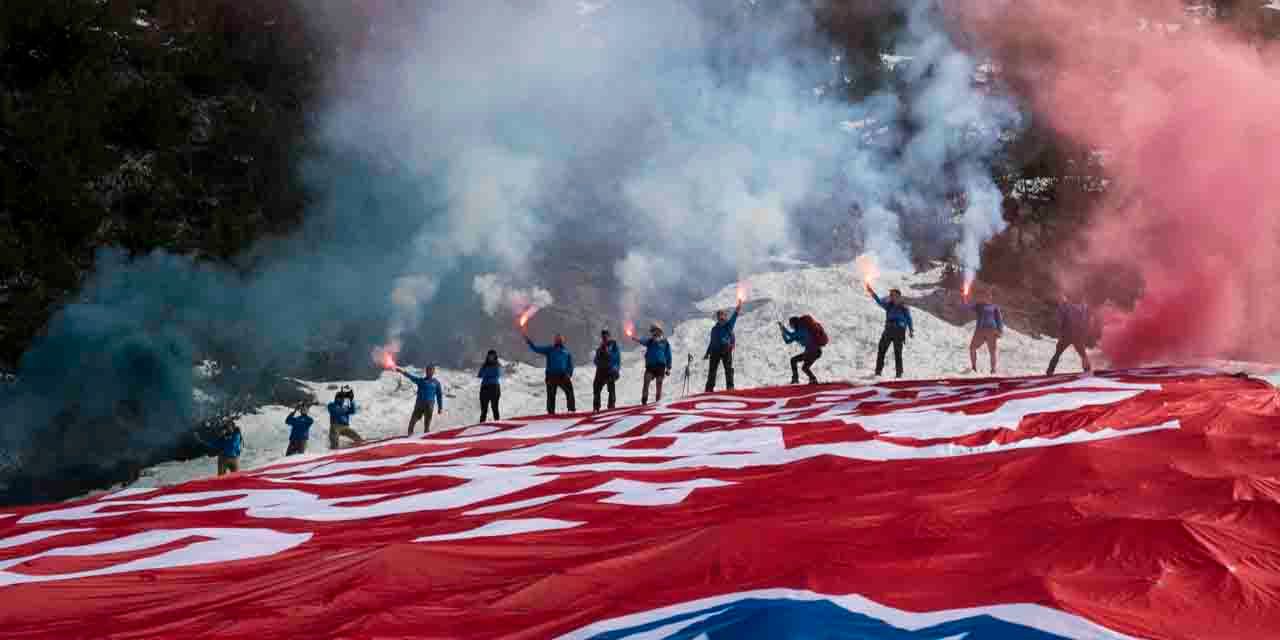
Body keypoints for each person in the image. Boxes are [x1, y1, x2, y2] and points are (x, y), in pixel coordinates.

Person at [866, 283, 914, 378]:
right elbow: (879, 301)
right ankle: (878, 372)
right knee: (881, 350)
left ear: (898, 296)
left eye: (892, 294)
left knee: (897, 352)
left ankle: (899, 374)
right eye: (890, 295)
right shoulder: (889, 306)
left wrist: (911, 330)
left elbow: (909, 318)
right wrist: (872, 292)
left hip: (899, 330)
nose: (891, 296)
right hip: (888, 330)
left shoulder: (903, 307)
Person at [525, 331, 576, 414]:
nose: (558, 340)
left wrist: (569, 374)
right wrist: (529, 342)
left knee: (569, 392)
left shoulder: (566, 352)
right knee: (551, 395)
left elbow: (570, 365)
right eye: (557, 339)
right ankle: (551, 413)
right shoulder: (550, 349)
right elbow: (536, 349)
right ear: (555, 341)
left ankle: (571, 410)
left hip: (563, 375)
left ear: (563, 341)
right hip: (551, 376)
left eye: (560, 339)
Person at [1047, 294, 1093, 375]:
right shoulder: (1082, 307)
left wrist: (1060, 331)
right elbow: (1085, 321)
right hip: (1073, 335)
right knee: (1082, 354)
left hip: (1069, 335)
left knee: (1058, 353)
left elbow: (1059, 320)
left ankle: (1050, 371)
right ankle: (1087, 370)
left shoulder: (1066, 306)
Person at [704, 298, 744, 392]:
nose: (721, 318)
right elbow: (712, 342)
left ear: (725, 317)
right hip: (715, 351)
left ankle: (730, 387)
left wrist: (738, 308)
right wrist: (707, 353)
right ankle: (709, 389)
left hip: (726, 349)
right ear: (718, 318)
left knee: (728, 369)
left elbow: (734, 317)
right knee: (712, 370)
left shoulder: (728, 326)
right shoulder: (714, 329)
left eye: (722, 316)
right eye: (719, 316)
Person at [962, 286, 1004, 374]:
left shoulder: (994, 307)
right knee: (972, 348)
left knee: (992, 351)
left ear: (991, 297)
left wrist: (1000, 331)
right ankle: (974, 368)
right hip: (980, 330)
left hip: (991, 330)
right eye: (985, 295)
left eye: (988, 295)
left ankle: (993, 370)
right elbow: (966, 307)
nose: (986, 297)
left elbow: (999, 320)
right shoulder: (978, 305)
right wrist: (964, 298)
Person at [632, 322, 673, 404]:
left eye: (654, 331)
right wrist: (637, 339)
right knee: (646, 381)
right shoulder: (650, 341)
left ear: (659, 331)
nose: (653, 333)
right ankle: (644, 401)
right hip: (650, 366)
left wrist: (668, 368)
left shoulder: (665, 342)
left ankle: (658, 402)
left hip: (660, 366)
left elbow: (668, 355)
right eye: (652, 331)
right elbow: (643, 341)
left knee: (659, 383)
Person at [398, 366, 444, 435]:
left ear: (433, 372)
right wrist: (402, 371)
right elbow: (411, 377)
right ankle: (410, 435)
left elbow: (439, 395)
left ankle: (426, 435)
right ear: (426, 371)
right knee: (413, 421)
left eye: (431, 371)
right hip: (419, 404)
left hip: (429, 405)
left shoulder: (436, 383)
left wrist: (440, 407)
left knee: (427, 423)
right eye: (428, 371)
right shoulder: (421, 381)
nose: (429, 372)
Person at [780, 316, 823, 385]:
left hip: (813, 352)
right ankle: (812, 379)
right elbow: (787, 341)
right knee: (804, 367)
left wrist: (783, 328)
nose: (791, 326)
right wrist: (782, 332)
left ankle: (796, 379)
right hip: (814, 352)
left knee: (794, 361)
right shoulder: (799, 332)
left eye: (791, 324)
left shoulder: (802, 331)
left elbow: (791, 335)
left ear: (795, 324)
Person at [592, 329, 622, 412]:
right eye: (603, 336)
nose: (604, 338)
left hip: (611, 370)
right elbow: (595, 360)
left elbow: (617, 358)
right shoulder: (600, 348)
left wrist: (615, 368)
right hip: (601, 371)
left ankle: (611, 406)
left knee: (611, 386)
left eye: (606, 336)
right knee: (596, 387)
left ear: (609, 336)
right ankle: (596, 407)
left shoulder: (614, 346)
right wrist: (599, 361)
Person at [477, 350, 503, 422]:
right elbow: (479, 375)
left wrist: (486, 375)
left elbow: (497, 375)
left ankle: (497, 423)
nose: (490, 357)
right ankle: (481, 425)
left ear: (495, 357)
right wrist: (486, 375)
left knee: (494, 408)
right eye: (489, 355)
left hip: (494, 388)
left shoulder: (497, 365)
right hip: (484, 388)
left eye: (492, 356)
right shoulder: (484, 365)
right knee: (484, 409)